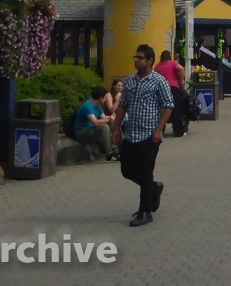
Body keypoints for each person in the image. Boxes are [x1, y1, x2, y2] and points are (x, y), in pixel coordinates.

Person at [111, 44, 174, 227]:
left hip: (149, 134)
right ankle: (153, 188)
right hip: (131, 133)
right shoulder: (130, 81)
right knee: (127, 169)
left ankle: (145, 211)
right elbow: (122, 105)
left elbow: (168, 106)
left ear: (149, 61)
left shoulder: (158, 81)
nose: (136, 60)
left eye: (140, 58)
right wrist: (116, 128)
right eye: (135, 57)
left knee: (146, 172)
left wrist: (158, 130)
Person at [74, 85, 117, 160]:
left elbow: (103, 117)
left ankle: (119, 148)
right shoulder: (87, 106)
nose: (106, 99)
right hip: (81, 132)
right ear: (101, 98)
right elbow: (95, 123)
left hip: (91, 130)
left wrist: (114, 118)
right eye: (105, 97)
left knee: (114, 123)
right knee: (104, 127)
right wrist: (110, 119)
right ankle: (110, 154)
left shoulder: (98, 106)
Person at [154, 50, 187, 136]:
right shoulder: (172, 63)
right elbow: (181, 69)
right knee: (176, 109)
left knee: (162, 110)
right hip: (173, 87)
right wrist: (180, 81)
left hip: (160, 89)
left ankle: (161, 131)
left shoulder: (157, 66)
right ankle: (178, 131)